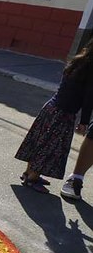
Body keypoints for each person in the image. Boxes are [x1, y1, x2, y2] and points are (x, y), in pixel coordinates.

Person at [16, 39, 93, 194]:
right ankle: (32, 179)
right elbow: (88, 98)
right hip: (63, 114)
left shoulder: (79, 61)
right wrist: (84, 122)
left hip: (51, 107)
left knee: (40, 140)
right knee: (50, 146)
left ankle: (28, 173)